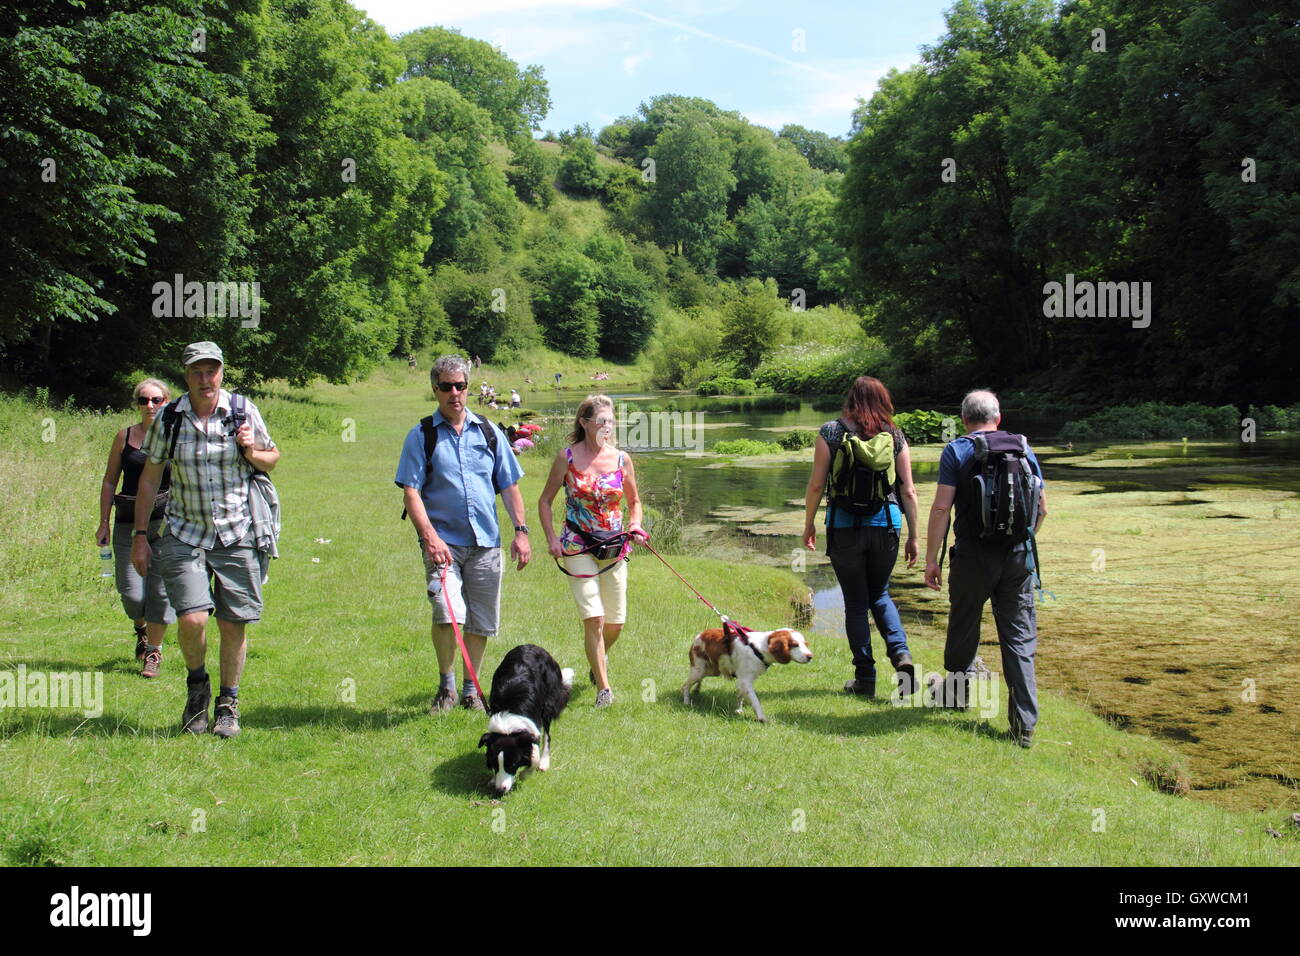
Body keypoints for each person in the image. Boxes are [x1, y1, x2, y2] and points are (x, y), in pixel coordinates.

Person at [132, 342, 279, 738]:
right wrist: (141, 535)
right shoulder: (170, 418)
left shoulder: (243, 410)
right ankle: (197, 687)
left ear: (222, 372)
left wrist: (250, 448)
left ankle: (228, 704)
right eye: (197, 371)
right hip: (184, 532)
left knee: (234, 624)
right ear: (186, 375)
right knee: (192, 618)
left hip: (237, 531)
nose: (205, 378)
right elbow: (150, 476)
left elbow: (272, 458)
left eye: (211, 370)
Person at [395, 355, 531, 714]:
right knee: (446, 612)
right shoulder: (421, 435)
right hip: (443, 545)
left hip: (486, 542)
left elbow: (509, 485)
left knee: (481, 621)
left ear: (468, 387)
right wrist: (430, 537)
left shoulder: (488, 431)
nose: (454, 393)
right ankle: (447, 686)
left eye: (460, 385)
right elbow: (410, 491)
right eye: (446, 386)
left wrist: (520, 532)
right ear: (435, 390)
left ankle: (472, 689)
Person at [924, 389, 1048, 748]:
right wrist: (1022, 541)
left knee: (964, 625)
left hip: (972, 556)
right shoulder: (1023, 447)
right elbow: (1042, 508)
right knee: (1019, 639)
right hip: (1016, 557)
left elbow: (940, 509)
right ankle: (1023, 727)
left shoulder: (956, 450)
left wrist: (933, 559)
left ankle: (958, 695)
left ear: (964, 420)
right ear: (999, 417)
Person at [803, 376, 920, 699]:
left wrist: (809, 523)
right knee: (880, 594)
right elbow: (908, 490)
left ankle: (865, 679)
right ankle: (900, 654)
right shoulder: (894, 435)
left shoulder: (831, 431)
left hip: (844, 526)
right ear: (884, 400)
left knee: (856, 604)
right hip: (887, 524)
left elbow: (816, 485)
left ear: (851, 400)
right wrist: (914, 537)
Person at [538, 395, 646, 708]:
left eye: (610, 421)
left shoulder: (622, 459)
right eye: (600, 421)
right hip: (577, 544)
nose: (606, 427)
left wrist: (635, 525)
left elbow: (634, 502)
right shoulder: (567, 458)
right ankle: (604, 688)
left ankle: (595, 660)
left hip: (614, 545)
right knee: (594, 618)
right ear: (584, 423)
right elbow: (545, 501)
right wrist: (551, 539)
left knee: (616, 623)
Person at [97, 378, 176, 678]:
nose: (150, 405)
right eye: (144, 400)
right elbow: (109, 480)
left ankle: (153, 652)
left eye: (156, 400)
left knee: (160, 592)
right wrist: (103, 521)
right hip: (127, 525)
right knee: (131, 594)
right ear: (136, 404)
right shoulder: (125, 437)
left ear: (166, 401)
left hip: (165, 524)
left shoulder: (174, 438)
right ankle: (141, 628)